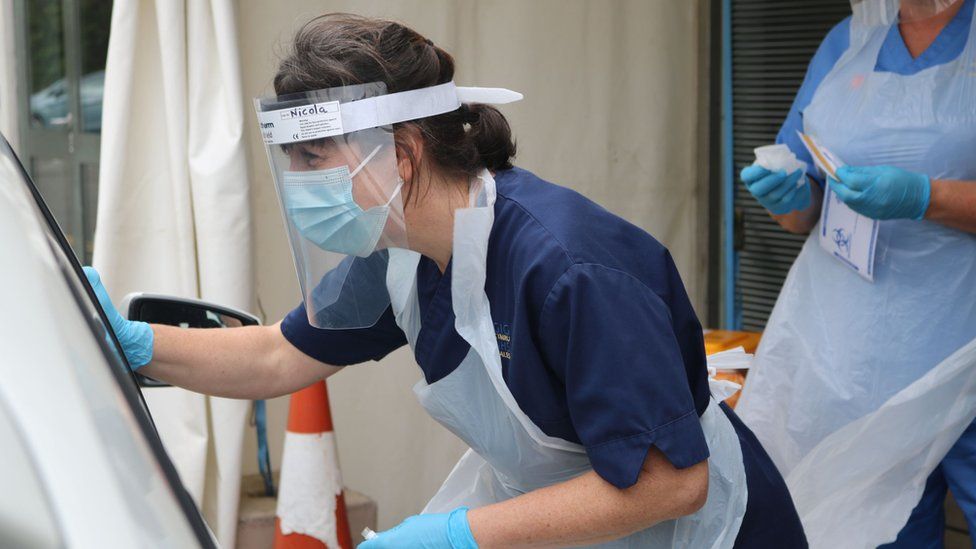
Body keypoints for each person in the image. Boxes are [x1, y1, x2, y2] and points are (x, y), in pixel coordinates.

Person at [87, 14, 806, 548]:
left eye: (314, 158)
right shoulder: (398, 252)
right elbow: (280, 353)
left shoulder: (568, 270)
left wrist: (461, 534)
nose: (302, 184)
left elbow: (674, 481)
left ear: (400, 152)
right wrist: (133, 342)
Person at [736, 0, 976, 546]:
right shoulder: (848, 40)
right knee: (873, 528)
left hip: (965, 348)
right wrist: (787, 195)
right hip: (853, 354)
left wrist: (927, 196)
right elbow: (805, 210)